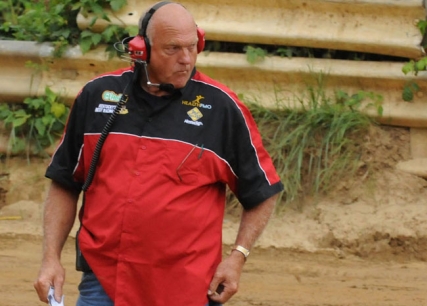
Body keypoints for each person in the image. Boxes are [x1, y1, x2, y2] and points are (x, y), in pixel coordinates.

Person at [34, 1, 283, 305]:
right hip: (105, 283)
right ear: (142, 50)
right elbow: (65, 181)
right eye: (173, 49)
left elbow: (263, 191)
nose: (186, 59)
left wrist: (237, 257)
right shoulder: (97, 96)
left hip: (187, 288)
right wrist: (50, 259)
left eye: (193, 47)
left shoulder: (222, 108)